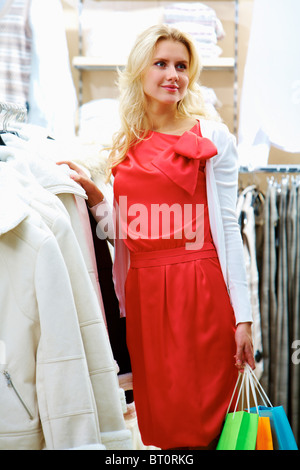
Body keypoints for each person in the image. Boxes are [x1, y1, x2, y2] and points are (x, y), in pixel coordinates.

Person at [59, 24, 255, 450]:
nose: (173, 75)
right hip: (146, 296)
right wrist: (95, 197)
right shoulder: (126, 143)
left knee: (207, 416)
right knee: (159, 424)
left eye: (182, 66)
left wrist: (243, 316)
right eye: (161, 63)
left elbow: (226, 227)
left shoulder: (213, 137)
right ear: (140, 71)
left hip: (199, 288)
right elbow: (124, 230)